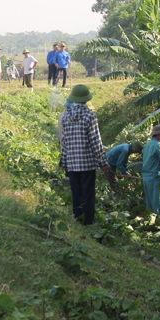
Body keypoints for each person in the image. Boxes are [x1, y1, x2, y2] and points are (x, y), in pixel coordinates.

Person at [59, 84, 110, 225]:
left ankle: (77, 218)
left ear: (74, 98)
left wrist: (64, 162)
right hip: (87, 163)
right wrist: (103, 162)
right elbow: (95, 141)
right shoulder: (90, 116)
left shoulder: (65, 117)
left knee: (76, 193)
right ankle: (88, 220)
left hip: (72, 163)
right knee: (88, 193)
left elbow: (64, 142)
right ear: (86, 99)